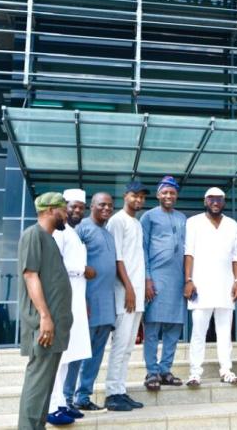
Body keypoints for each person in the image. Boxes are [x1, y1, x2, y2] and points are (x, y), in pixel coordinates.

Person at [18, 192, 73, 430]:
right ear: (50, 210)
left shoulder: (49, 238)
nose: (66, 214)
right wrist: (45, 317)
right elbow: (30, 275)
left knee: (45, 388)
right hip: (44, 327)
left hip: (54, 327)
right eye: (63, 209)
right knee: (37, 384)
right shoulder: (33, 235)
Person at [183, 187, 237, 386]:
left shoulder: (233, 225)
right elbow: (188, 253)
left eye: (219, 199)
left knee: (225, 332)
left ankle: (226, 370)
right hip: (201, 285)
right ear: (205, 201)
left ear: (224, 202)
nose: (215, 202)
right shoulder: (193, 223)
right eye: (211, 199)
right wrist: (188, 280)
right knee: (199, 332)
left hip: (226, 286)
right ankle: (195, 373)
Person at [47, 189, 93, 425]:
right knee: (60, 354)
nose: (76, 211)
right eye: (72, 207)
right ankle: (52, 407)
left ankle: (63, 402)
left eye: (80, 208)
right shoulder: (58, 231)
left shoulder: (73, 233)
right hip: (63, 294)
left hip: (76, 294)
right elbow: (56, 266)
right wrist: (84, 270)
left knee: (70, 351)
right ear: (64, 207)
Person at [67, 193, 116, 412]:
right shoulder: (82, 229)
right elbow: (71, 262)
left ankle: (83, 397)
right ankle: (66, 397)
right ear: (92, 207)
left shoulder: (108, 232)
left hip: (106, 305)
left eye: (110, 205)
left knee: (96, 355)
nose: (106, 208)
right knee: (78, 353)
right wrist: (81, 299)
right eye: (101, 204)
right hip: (87, 303)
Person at [104, 182, 148, 411]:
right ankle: (111, 393)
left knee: (129, 347)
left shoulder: (137, 223)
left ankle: (120, 390)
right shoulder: (117, 221)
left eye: (141, 197)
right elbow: (117, 258)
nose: (138, 200)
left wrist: (138, 290)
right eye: (134, 195)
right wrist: (129, 289)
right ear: (125, 196)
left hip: (136, 295)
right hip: (124, 294)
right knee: (120, 345)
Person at [141, 176, 187, 391]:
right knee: (152, 328)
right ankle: (151, 371)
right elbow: (142, 248)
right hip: (156, 278)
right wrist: (147, 278)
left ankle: (165, 369)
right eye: (165, 192)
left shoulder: (182, 218)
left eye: (172, 193)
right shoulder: (148, 217)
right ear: (159, 194)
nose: (169, 196)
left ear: (176, 195)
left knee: (174, 328)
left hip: (178, 280)